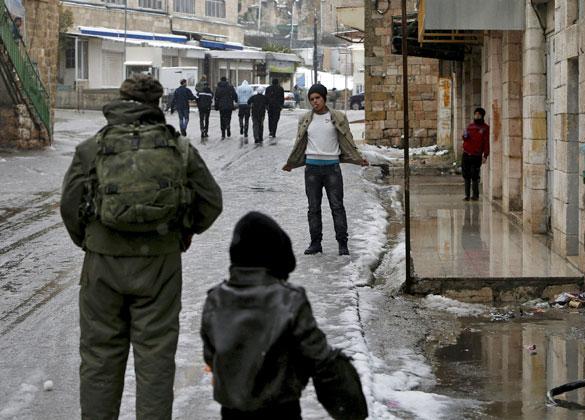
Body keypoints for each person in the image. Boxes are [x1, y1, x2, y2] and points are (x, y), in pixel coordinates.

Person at [60, 75, 223, 420]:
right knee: (155, 359)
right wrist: (182, 233)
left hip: (102, 265)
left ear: (121, 100)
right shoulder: (178, 148)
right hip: (160, 265)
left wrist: (91, 242)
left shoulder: (91, 148)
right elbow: (211, 201)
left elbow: (70, 206)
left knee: (100, 358)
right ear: (157, 103)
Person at [201, 211, 367, 420]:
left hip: (233, 410)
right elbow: (317, 355)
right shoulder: (290, 300)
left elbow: (211, 355)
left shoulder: (215, 300)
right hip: (281, 409)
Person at [282, 84, 368, 256]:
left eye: (318, 98)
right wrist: (291, 163)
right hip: (312, 169)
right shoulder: (306, 119)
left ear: (324, 98)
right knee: (313, 208)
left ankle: (342, 244)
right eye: (312, 99)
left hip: (332, 169)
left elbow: (348, 141)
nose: (315, 102)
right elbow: (300, 144)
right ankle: (315, 243)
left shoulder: (337, 117)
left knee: (337, 206)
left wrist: (358, 159)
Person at [462, 107, 489, 201]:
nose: (477, 116)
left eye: (479, 114)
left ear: (482, 116)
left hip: (476, 155)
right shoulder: (470, 126)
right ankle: (467, 195)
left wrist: (485, 155)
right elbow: (465, 138)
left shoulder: (485, 128)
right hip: (466, 154)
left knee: (475, 175)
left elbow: (486, 142)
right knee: (466, 175)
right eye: (475, 114)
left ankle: (475, 195)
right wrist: (465, 136)